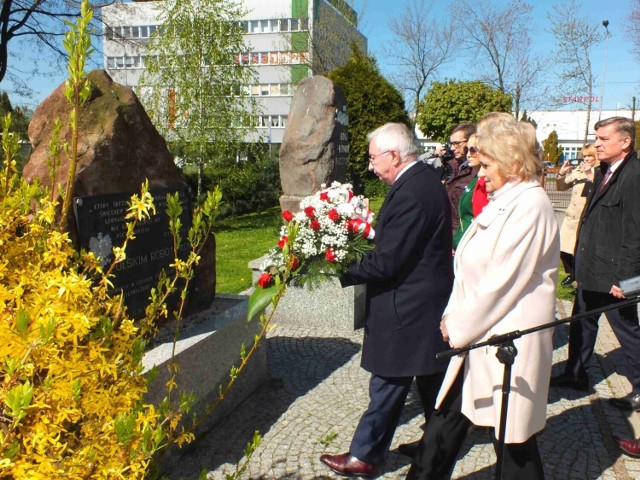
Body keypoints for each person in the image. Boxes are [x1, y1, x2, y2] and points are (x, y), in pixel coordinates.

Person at [406, 115, 559, 479]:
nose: (480, 172)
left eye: (487, 163)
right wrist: (455, 316)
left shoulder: (530, 204)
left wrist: (455, 324)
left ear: (511, 161)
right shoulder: (506, 198)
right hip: (481, 336)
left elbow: (502, 281)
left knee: (513, 444)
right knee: (448, 422)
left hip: (503, 342)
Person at [319, 122, 453, 478]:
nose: (371, 165)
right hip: (420, 300)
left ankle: (367, 455)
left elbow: (389, 259)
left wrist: (338, 265)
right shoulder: (419, 181)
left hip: (408, 305)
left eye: (374, 158)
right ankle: (435, 441)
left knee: (390, 380)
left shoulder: (414, 190)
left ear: (394, 156)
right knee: (429, 381)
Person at [550, 117, 640, 406]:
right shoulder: (604, 170)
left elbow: (635, 232)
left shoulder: (634, 175)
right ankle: (575, 373)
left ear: (625, 142)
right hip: (591, 269)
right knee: (582, 324)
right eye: (596, 138)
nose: (597, 144)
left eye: (603, 139)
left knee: (628, 335)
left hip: (614, 277)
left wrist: (625, 280)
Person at [554, 144, 598, 286]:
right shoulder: (579, 170)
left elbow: (598, 190)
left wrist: (591, 174)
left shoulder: (600, 171)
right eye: (584, 156)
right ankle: (573, 273)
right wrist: (561, 173)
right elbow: (561, 187)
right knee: (563, 250)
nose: (586, 158)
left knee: (578, 251)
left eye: (589, 156)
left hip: (584, 218)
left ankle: (579, 277)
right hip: (570, 217)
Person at [452, 134, 488, 251]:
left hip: (473, 248)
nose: (468, 155)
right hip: (461, 245)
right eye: (467, 149)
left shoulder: (486, 183)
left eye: (473, 150)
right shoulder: (475, 179)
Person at [443, 123, 476, 236]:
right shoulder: (456, 167)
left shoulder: (476, 172)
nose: (452, 148)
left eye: (457, 144)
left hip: (462, 236)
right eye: (451, 143)